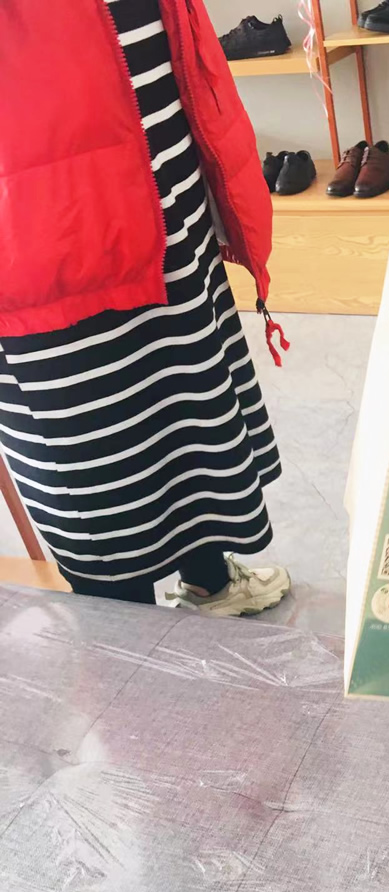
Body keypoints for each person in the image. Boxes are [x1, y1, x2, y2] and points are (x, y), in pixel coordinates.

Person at [0, 0, 289, 618]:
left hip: (162, 170)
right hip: (42, 226)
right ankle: (128, 652)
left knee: (189, 391)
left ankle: (210, 582)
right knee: (98, 458)